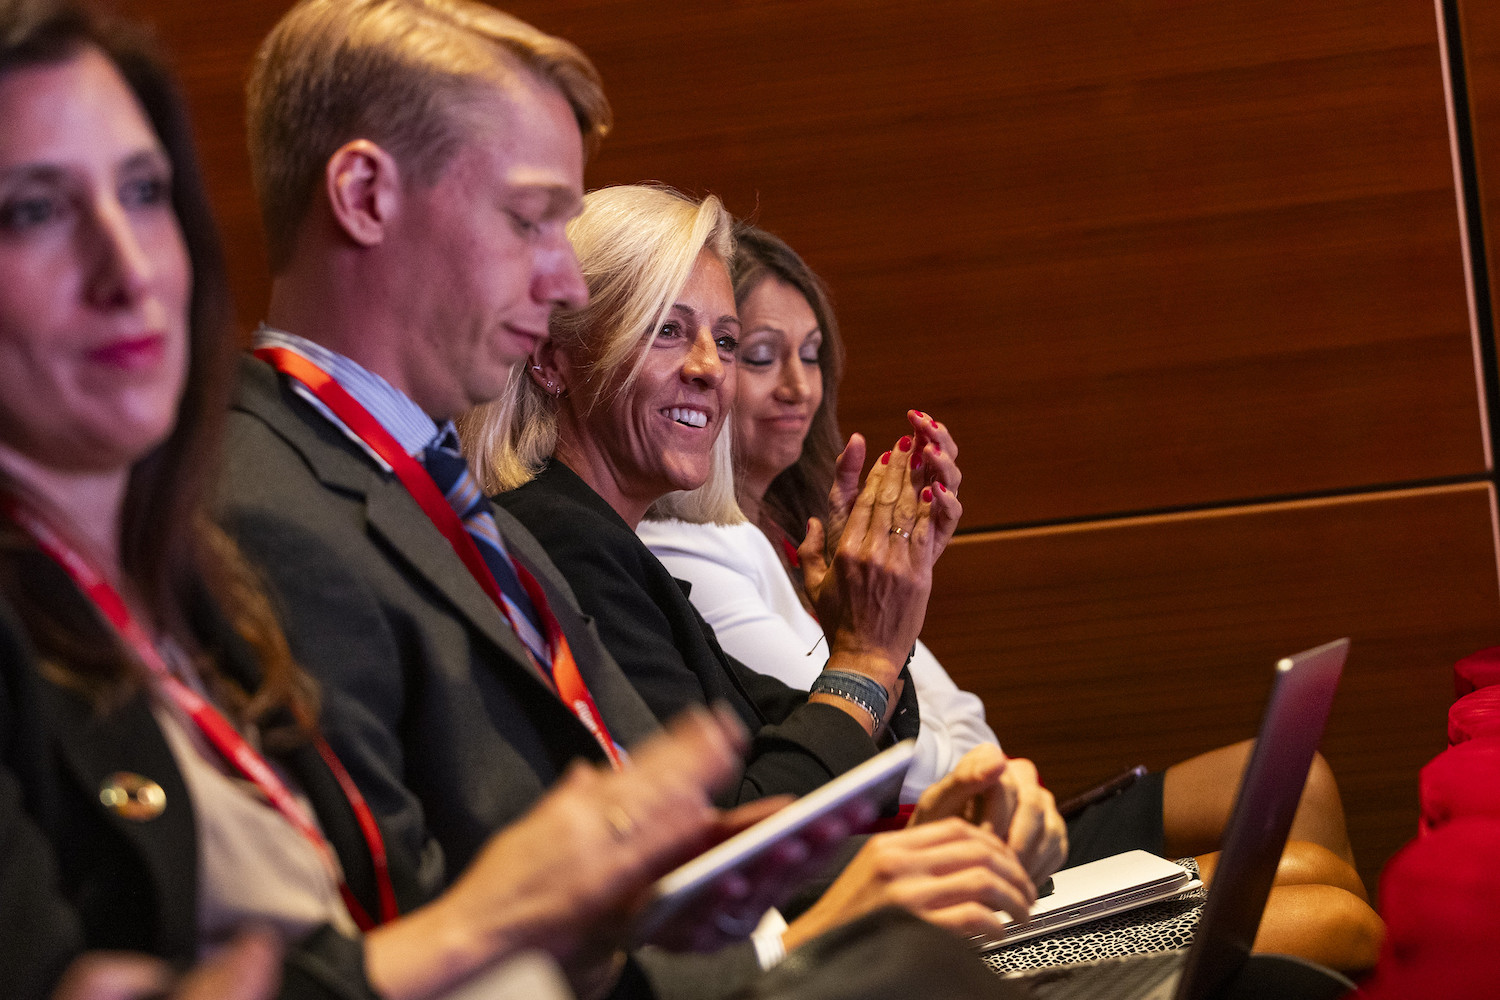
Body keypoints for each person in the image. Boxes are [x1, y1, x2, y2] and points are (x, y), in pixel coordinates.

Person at [0, 5, 794, 1000]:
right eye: (32, 210)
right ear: (366, 195)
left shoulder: (430, 498)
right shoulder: (251, 510)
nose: (133, 268)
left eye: (146, 192)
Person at [640, 222, 1387, 972]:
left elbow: (948, 717)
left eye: (810, 357)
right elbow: (853, 764)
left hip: (962, 837)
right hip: (908, 873)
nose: (798, 386)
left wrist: (898, 618)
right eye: (759, 356)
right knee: (1323, 912)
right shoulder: (690, 553)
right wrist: (874, 654)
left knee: (1310, 810)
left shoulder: (791, 532)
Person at [463, 182, 1070, 951]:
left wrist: (863, 619)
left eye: (722, 337)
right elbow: (732, 842)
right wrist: (865, 656)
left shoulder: (608, 539)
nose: (709, 368)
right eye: (667, 331)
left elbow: (801, 745)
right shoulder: (561, 542)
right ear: (554, 360)